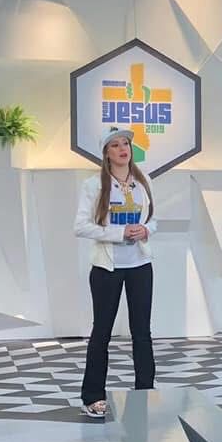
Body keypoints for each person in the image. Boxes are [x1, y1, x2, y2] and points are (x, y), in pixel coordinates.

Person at [74, 127, 157, 417]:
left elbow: (153, 219)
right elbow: (81, 226)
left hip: (140, 266)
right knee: (102, 332)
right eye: (115, 145)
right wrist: (119, 233)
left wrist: (146, 230)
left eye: (126, 144)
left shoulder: (143, 181)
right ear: (106, 153)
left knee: (142, 333)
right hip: (107, 268)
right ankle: (92, 396)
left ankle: (145, 392)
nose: (123, 149)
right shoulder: (93, 185)